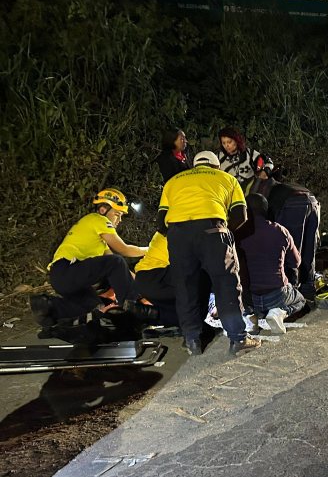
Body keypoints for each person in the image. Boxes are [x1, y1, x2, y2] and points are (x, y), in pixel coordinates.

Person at [157, 150, 261, 356]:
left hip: (178, 235)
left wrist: (183, 236)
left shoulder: (173, 182)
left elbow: (161, 223)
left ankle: (192, 341)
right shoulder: (227, 178)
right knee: (226, 284)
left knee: (185, 287)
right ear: (216, 166)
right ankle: (238, 339)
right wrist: (223, 233)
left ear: (195, 166)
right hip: (213, 230)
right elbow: (240, 214)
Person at [30, 188, 148, 327]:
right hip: (67, 270)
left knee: (94, 307)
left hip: (61, 278)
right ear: (103, 210)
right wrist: (152, 249)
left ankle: (47, 306)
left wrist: (142, 285)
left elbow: (121, 271)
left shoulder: (99, 241)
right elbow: (124, 250)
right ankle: (132, 310)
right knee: (116, 261)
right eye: (117, 214)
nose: (119, 220)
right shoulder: (98, 219)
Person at [245, 159, 320, 300]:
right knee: (309, 248)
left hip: (293, 203)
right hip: (312, 200)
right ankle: (308, 289)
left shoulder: (255, 188)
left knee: (293, 249)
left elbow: (289, 255)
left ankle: (292, 292)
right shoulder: (275, 185)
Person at [236, 193, 306, 334]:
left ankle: (250, 317)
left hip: (249, 298)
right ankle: (279, 312)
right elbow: (296, 262)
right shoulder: (280, 230)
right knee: (301, 301)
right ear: (266, 210)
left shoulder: (237, 234)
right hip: (276, 295)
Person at [128, 230, 179, 328]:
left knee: (182, 311)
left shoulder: (163, 234)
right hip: (157, 276)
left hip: (143, 279)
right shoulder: (184, 232)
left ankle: (149, 313)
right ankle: (151, 314)